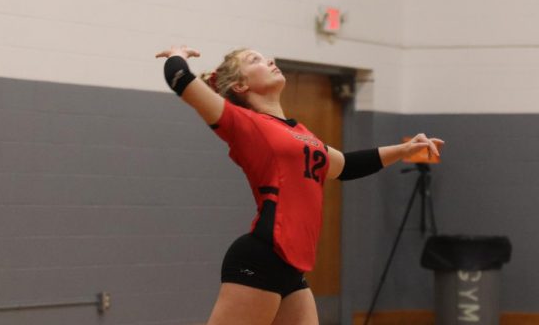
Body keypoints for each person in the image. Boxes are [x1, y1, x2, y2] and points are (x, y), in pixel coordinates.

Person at [156, 44, 444, 325]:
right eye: (255, 59)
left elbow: (344, 166)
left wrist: (404, 150)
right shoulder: (242, 122)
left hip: (292, 266)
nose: (268, 60)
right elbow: (181, 80)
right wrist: (177, 55)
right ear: (241, 86)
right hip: (263, 254)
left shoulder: (301, 132)